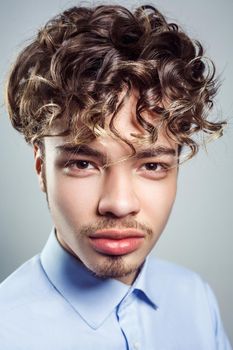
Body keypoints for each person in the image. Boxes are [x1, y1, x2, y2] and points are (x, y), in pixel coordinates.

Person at [0, 3, 231, 349]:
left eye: (152, 165)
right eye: (82, 163)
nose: (119, 204)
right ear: (41, 168)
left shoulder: (196, 300)